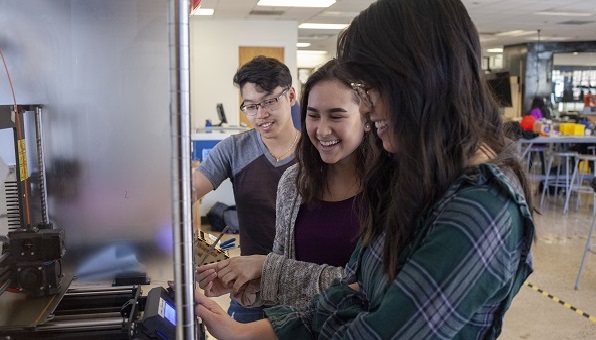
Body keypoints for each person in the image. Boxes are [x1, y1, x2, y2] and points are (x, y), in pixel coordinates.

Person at [195, 0, 536, 338]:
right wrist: (248, 332)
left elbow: (377, 331)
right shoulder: (414, 176)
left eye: (369, 88)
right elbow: (350, 291)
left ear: (416, 78)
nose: (369, 108)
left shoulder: (480, 206)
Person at [196, 59, 383, 309]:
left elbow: (371, 285)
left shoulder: (388, 189)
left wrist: (264, 266)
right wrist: (245, 283)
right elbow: (283, 280)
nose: (323, 130)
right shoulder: (294, 183)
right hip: (291, 324)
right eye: (313, 115)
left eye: (336, 116)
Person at [192, 55, 300, 323]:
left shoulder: (318, 150)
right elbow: (189, 191)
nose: (261, 115)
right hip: (251, 291)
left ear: (291, 96)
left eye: (270, 102)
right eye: (251, 106)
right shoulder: (234, 149)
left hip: (303, 289)